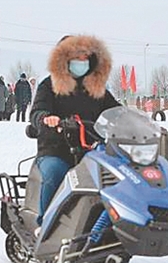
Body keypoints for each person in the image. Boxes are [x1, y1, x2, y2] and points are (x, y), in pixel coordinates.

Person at [29, 34, 120, 227]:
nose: (81, 62)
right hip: (56, 149)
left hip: (93, 152)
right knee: (54, 172)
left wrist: (134, 119)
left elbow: (116, 110)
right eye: (76, 58)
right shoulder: (49, 85)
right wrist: (46, 119)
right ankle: (45, 226)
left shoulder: (97, 89)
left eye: (85, 58)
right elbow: (37, 111)